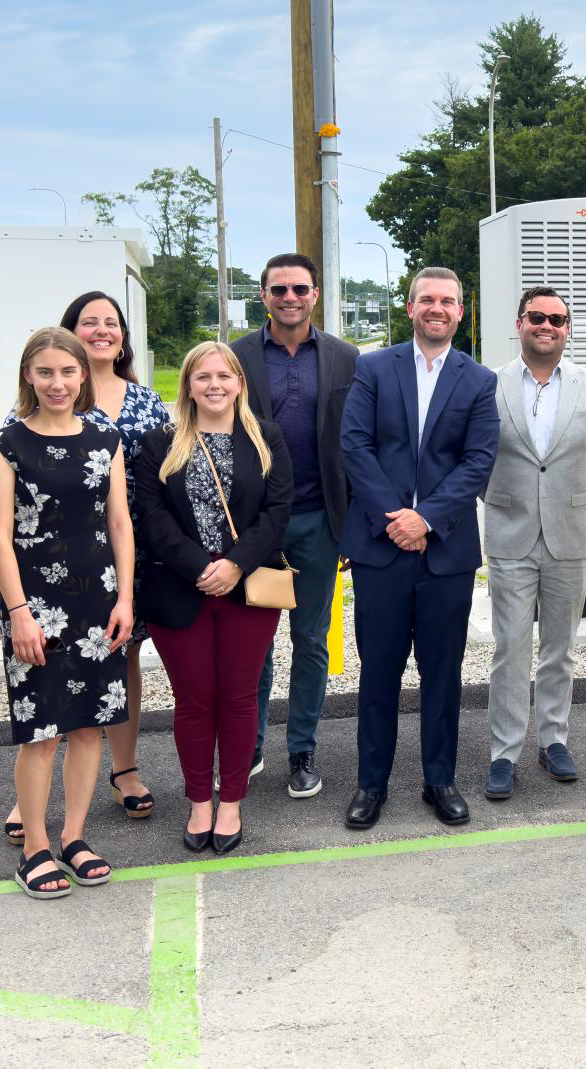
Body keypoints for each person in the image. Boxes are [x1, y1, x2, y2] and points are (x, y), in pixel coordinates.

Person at [1, 291, 168, 842]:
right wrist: (6, 582)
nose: (101, 330)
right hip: (41, 573)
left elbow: (153, 487)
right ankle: (31, 806)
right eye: (89, 322)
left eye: (111, 322)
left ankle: (118, 777)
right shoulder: (15, 428)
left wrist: (135, 582)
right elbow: (3, 516)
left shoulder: (139, 407)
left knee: (114, 676)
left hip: (118, 563)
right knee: (44, 694)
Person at [338, 266, 500, 830]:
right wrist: (396, 519)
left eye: (447, 301)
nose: (437, 308)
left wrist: (426, 519)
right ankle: (371, 784)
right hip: (381, 548)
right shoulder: (373, 368)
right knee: (378, 673)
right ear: (410, 308)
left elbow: (478, 459)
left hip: (445, 552)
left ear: (460, 312)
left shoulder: (478, 380)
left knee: (443, 673)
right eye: (427, 299)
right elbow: (354, 446)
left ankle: (440, 780)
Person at [0, 328, 135, 899]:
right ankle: (35, 848)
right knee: (42, 732)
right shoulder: (6, 443)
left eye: (68, 372)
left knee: (90, 726)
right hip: (36, 604)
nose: (58, 383)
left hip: (98, 600)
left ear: (82, 375)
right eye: (45, 372)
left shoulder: (105, 438)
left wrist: (125, 598)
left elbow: (119, 522)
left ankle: (74, 837)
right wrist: (18, 611)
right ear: (28, 375)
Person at [134, 342, 292, 854]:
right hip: (181, 588)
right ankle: (200, 801)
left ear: (239, 382)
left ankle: (232, 803)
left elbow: (277, 512)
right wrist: (200, 567)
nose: (214, 385)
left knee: (240, 698)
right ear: (188, 385)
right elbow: (151, 516)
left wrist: (235, 563)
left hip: (248, 588)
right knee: (194, 700)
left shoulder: (265, 438)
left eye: (224, 376)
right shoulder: (161, 443)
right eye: (202, 377)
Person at [229, 253, 358, 798]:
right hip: (255, 525)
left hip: (318, 521)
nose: (289, 297)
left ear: (315, 295)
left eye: (299, 288)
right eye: (278, 289)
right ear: (263, 295)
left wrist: (352, 525)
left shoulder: (345, 358)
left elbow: (356, 442)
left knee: (310, 641)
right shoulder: (235, 357)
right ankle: (251, 745)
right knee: (254, 644)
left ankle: (302, 748)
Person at [482, 286, 586, 800]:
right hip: (510, 531)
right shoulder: (489, 384)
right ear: (520, 323)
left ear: (567, 328)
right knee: (509, 648)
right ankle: (504, 751)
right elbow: (475, 455)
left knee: (561, 648)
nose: (547, 326)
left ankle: (553, 739)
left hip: (570, 534)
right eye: (537, 317)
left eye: (557, 319)